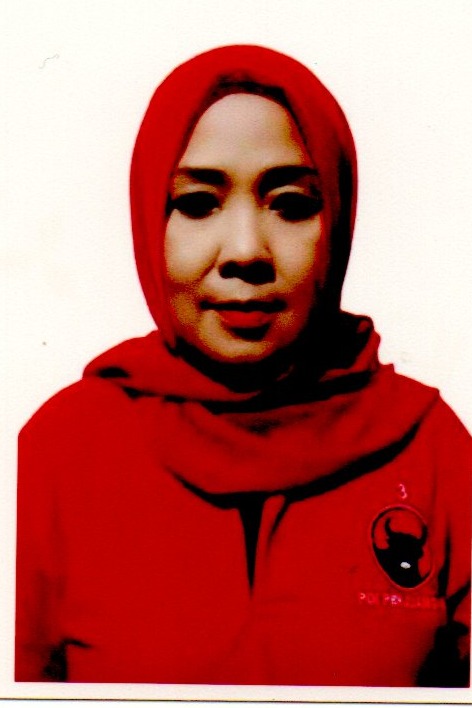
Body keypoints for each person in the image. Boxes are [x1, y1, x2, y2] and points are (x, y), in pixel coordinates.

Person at [16, 44, 471, 687]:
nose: (246, 251)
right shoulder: (59, 455)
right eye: (198, 203)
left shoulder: (433, 454)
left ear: (338, 221)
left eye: (291, 204)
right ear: (150, 218)